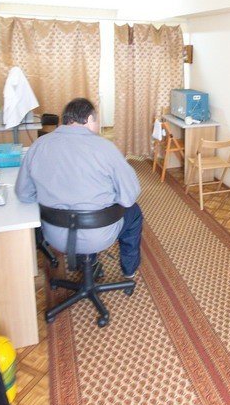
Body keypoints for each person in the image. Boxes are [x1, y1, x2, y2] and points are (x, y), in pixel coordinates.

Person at [16, 98, 142, 278]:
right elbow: (129, 197)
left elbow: (24, 194)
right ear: (89, 119)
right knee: (134, 212)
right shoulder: (105, 147)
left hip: (55, 235)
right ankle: (129, 270)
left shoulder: (39, 145)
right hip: (98, 234)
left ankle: (87, 263)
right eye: (96, 121)